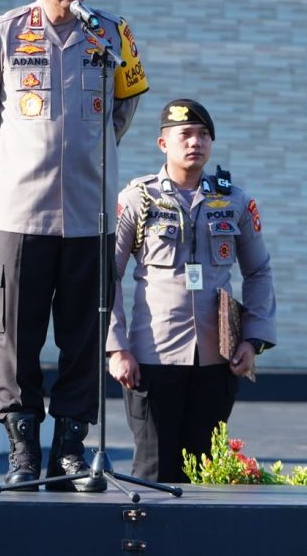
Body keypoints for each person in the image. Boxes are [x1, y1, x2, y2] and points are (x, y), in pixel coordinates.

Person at [0, 0, 149, 492]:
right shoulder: (3, 34)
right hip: (19, 217)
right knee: (16, 336)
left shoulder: (112, 34)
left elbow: (124, 106)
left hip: (89, 215)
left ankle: (70, 446)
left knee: (84, 334)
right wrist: (23, 164)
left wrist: (84, 164)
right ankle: (22, 448)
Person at [105, 99, 276, 483]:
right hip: (152, 358)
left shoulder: (233, 201)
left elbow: (259, 271)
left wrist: (253, 340)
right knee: (154, 471)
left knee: (204, 472)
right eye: (185, 134)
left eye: (203, 135)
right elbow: (106, 277)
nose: (195, 142)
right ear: (163, 143)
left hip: (218, 360)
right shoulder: (139, 199)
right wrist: (116, 348)